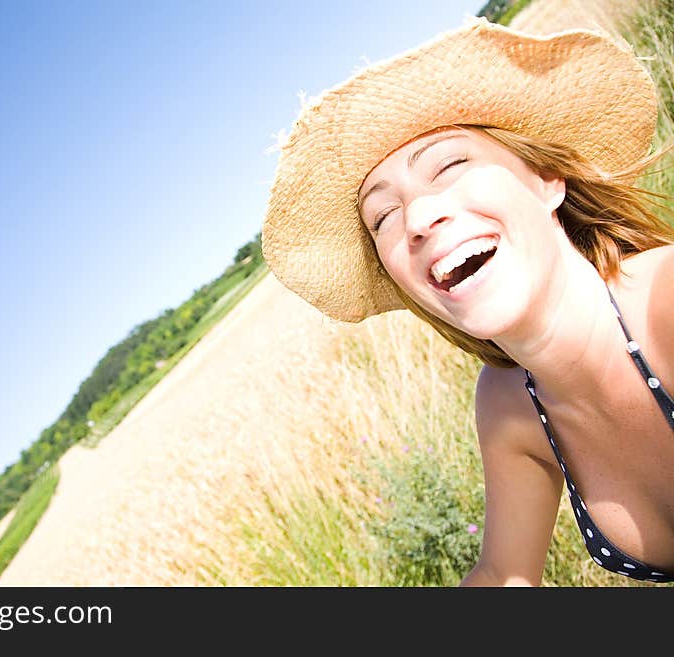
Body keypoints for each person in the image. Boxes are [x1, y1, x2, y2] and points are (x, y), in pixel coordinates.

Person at [261, 16, 674, 585]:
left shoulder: (666, 300)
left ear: (546, 178)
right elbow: (503, 571)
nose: (418, 218)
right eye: (382, 216)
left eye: (448, 166)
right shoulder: (510, 405)